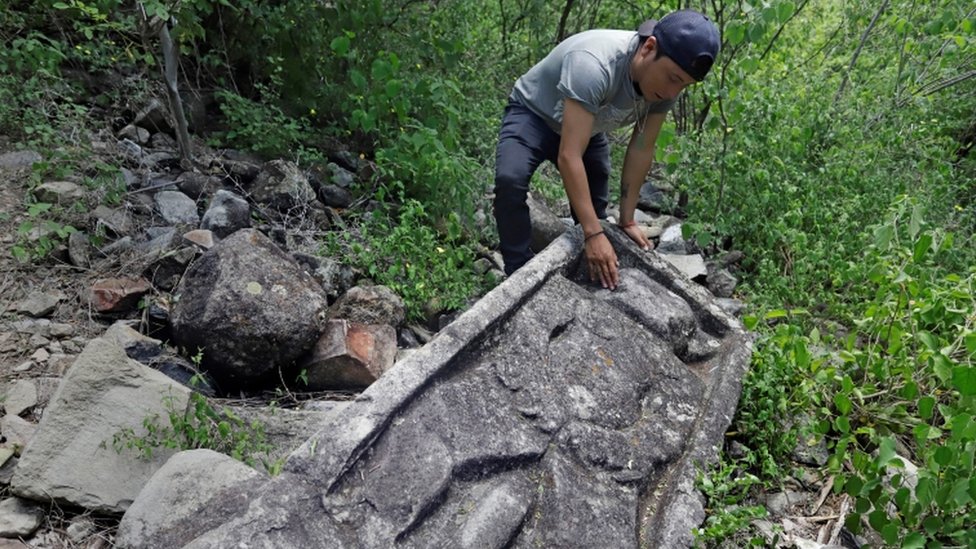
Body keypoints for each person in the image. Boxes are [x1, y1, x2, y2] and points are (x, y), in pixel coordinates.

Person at [493, 9, 720, 289]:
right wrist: (593, 234)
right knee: (510, 181)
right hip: (534, 114)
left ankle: (587, 258)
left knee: (596, 187)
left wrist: (627, 220)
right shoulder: (594, 64)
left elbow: (641, 147)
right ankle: (517, 273)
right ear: (649, 48)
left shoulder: (666, 86)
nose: (674, 93)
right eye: (673, 79)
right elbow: (569, 155)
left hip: (587, 124)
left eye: (684, 85)